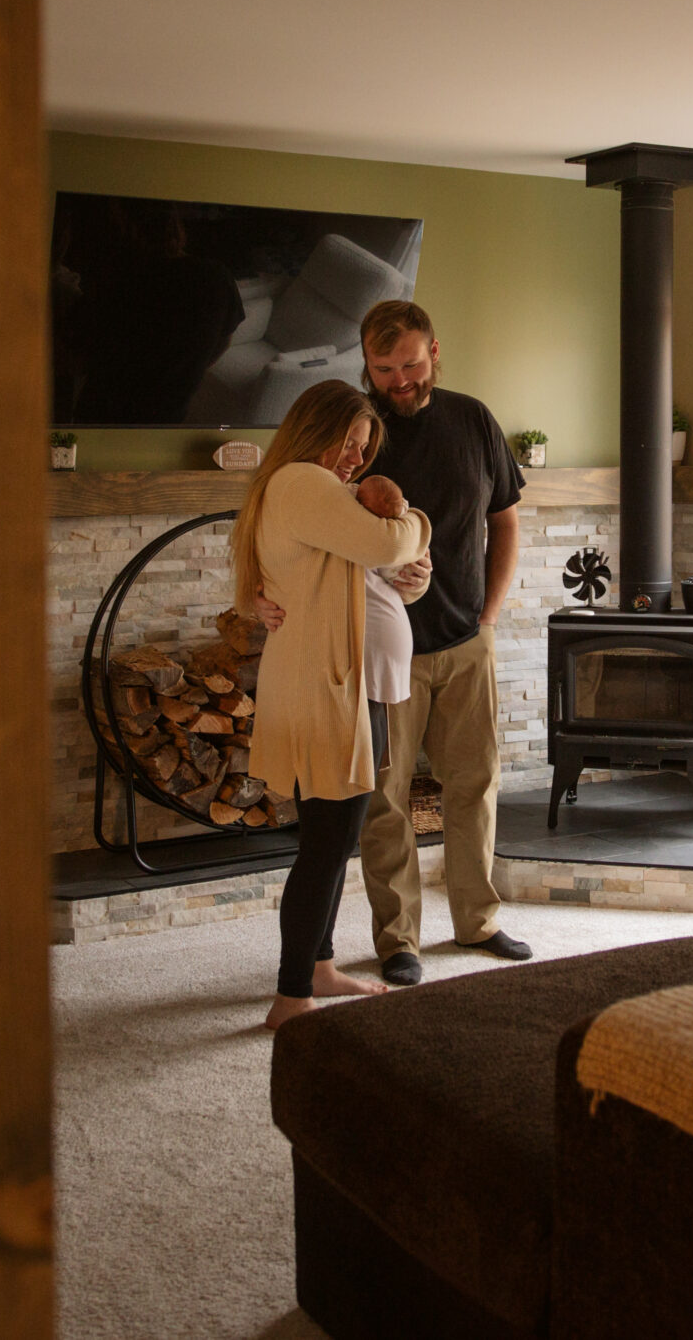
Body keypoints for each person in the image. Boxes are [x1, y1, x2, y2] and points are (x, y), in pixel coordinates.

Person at [235, 379, 432, 1029]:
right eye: (347, 441)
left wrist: (411, 577)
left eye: (363, 447)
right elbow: (388, 544)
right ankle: (291, 996)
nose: (355, 457)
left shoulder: (318, 492)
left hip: (349, 681)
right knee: (327, 842)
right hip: (328, 687)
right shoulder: (303, 481)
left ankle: (317, 966)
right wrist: (417, 524)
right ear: (313, 428)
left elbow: (366, 575)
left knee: (335, 836)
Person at [355, 299, 528, 985]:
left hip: (465, 640)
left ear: (434, 351)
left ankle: (477, 922)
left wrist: (489, 616)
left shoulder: (473, 419)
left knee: (475, 785)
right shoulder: (354, 434)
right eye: (384, 367)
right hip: (382, 650)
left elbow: (505, 520)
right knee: (386, 798)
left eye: (410, 362)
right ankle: (398, 939)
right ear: (366, 364)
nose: (400, 379)